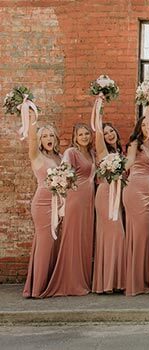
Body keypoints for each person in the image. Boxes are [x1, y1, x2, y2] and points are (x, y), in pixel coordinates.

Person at [41, 123, 95, 297]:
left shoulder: (92, 153)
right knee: (73, 238)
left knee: (85, 239)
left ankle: (83, 279)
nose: (84, 137)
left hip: (89, 200)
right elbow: (64, 175)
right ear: (75, 137)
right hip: (76, 198)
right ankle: (70, 282)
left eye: (87, 133)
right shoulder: (71, 153)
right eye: (81, 134)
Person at [22, 117, 61, 298]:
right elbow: (30, 140)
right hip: (43, 204)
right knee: (45, 244)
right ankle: (37, 288)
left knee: (54, 244)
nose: (48, 138)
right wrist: (30, 117)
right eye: (44, 136)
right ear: (40, 140)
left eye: (51, 135)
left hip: (59, 205)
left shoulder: (60, 158)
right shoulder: (36, 156)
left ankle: (48, 282)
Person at [123, 113, 149, 296]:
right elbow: (130, 162)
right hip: (136, 190)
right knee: (141, 235)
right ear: (139, 127)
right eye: (144, 124)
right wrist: (117, 168)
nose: (147, 127)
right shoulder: (134, 144)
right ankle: (137, 282)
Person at [92, 121, 126, 294]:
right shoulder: (103, 153)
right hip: (106, 195)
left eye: (111, 131)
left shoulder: (122, 153)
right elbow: (97, 135)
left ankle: (115, 281)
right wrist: (99, 104)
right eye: (105, 133)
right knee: (114, 235)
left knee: (116, 236)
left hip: (119, 197)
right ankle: (108, 283)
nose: (109, 135)